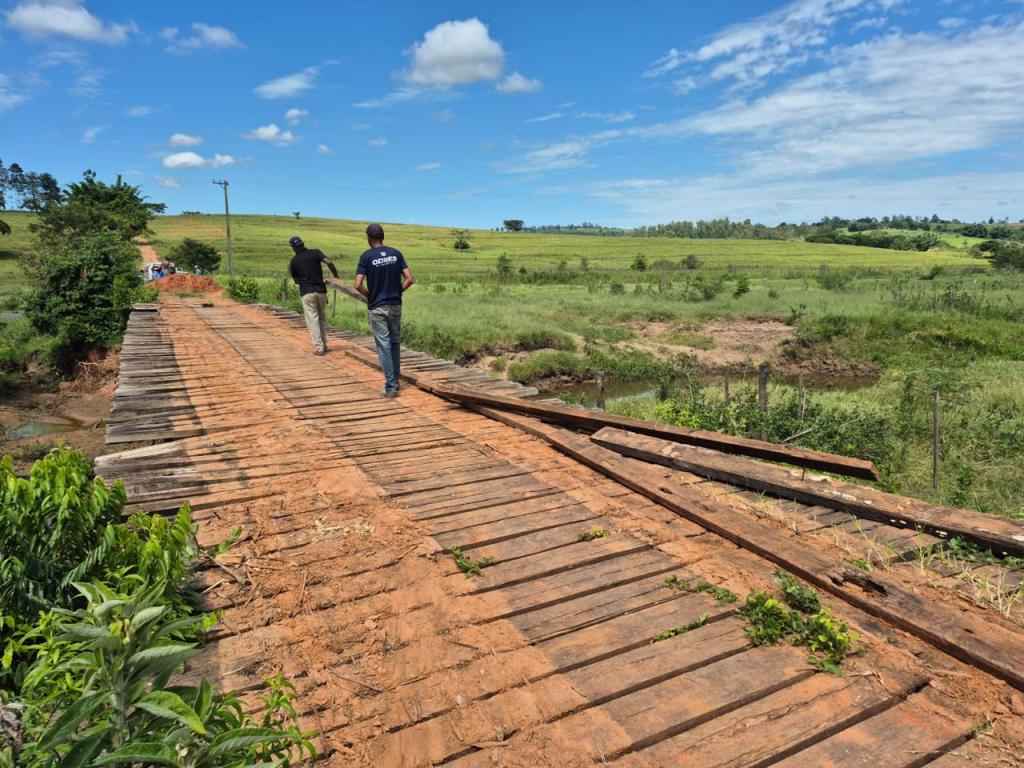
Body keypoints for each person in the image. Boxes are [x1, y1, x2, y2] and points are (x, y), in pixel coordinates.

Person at [355, 223, 414, 397]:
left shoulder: (366, 257)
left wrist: (370, 296)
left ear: (369, 238)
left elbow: (357, 285)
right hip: (395, 305)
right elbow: (410, 279)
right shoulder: (396, 254)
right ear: (382, 237)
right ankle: (395, 379)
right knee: (395, 343)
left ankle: (391, 386)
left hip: (378, 307)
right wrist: (398, 291)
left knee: (384, 345)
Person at [288, 235, 339, 356]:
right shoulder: (315, 252)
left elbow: (296, 281)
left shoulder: (293, 261)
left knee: (313, 320)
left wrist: (305, 280)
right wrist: (336, 275)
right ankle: (324, 345)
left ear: (293, 248)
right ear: (303, 244)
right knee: (321, 318)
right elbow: (329, 262)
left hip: (307, 292)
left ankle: (319, 347)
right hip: (321, 291)